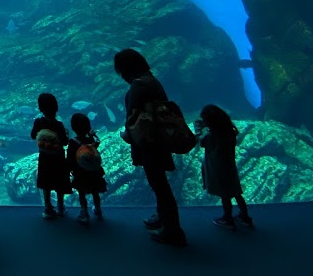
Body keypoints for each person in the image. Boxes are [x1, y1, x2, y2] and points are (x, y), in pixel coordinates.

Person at [115, 48, 187, 247]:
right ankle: (163, 217)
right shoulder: (152, 80)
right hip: (159, 140)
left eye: (120, 71)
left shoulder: (138, 87)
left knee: (160, 186)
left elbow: (135, 119)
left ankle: (173, 230)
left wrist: (126, 135)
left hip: (149, 144)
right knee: (159, 184)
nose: (121, 76)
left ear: (126, 69)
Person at [196, 104, 253, 230]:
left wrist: (198, 130)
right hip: (230, 166)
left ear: (209, 121)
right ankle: (245, 217)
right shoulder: (229, 132)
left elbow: (202, 142)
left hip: (218, 168)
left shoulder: (212, 136)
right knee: (237, 193)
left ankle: (228, 219)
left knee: (225, 195)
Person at [30, 93, 72, 219]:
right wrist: (67, 135)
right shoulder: (58, 125)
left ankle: (48, 208)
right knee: (59, 181)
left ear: (40, 108)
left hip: (45, 157)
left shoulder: (38, 122)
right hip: (58, 158)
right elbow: (64, 142)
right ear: (56, 108)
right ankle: (60, 206)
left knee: (46, 182)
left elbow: (33, 136)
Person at [67, 112, 107, 226]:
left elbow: (70, 158)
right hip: (94, 172)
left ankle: (84, 213)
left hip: (80, 174)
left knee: (81, 194)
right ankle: (98, 210)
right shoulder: (91, 140)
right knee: (95, 192)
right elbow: (95, 148)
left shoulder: (73, 143)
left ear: (73, 128)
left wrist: (69, 169)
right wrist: (92, 135)